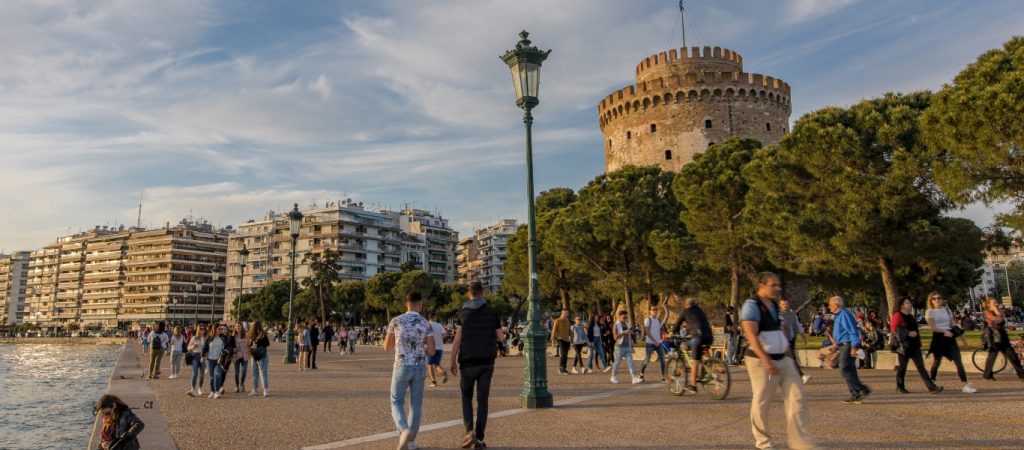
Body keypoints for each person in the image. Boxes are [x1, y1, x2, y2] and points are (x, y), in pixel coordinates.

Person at [741, 272, 816, 450]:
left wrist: (792, 360)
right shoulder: (752, 305)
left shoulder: (774, 305)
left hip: (783, 358)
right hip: (761, 361)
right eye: (773, 285)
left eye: (778, 285)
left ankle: (800, 442)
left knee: (797, 398)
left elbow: (780, 334)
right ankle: (763, 442)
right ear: (761, 286)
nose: (778, 288)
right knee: (762, 402)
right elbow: (750, 334)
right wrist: (765, 360)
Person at [449, 282, 503, 450]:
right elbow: (500, 337)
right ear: (482, 293)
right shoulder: (492, 312)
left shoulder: (463, 312)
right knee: (483, 400)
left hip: (467, 361)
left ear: (468, 293)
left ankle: (469, 432)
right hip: (487, 361)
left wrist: (452, 360)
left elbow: (457, 340)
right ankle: (479, 438)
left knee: (466, 396)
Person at [384, 292, 436, 450]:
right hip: (419, 366)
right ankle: (411, 440)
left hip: (401, 365)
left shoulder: (396, 321)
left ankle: (403, 430)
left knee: (396, 401)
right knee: (416, 405)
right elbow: (432, 351)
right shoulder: (426, 323)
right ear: (420, 304)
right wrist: (421, 349)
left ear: (406, 304)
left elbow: (387, 347)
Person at [925, 292, 977, 393]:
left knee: (958, 360)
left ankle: (965, 384)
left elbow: (953, 324)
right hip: (939, 337)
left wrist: (963, 339)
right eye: (934, 299)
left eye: (939, 298)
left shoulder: (946, 309)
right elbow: (933, 327)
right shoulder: (929, 312)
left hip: (950, 337)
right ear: (931, 301)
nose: (937, 300)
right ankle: (933, 381)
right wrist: (944, 331)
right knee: (937, 362)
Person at [891, 297, 943, 394]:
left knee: (921, 367)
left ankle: (931, 387)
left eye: (910, 303)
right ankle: (900, 386)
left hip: (914, 345)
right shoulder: (897, 315)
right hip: (904, 346)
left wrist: (920, 344)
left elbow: (916, 331)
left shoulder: (911, 316)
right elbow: (894, 330)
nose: (910, 304)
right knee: (902, 367)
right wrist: (908, 333)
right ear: (902, 305)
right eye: (907, 303)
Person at [829, 296, 871, 404]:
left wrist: (854, 347)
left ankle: (861, 389)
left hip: (848, 345)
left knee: (844, 369)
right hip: (843, 345)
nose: (829, 307)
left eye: (830, 304)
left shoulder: (843, 315)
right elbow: (843, 332)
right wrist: (836, 344)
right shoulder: (839, 315)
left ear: (836, 304)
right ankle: (855, 394)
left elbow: (853, 331)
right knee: (850, 370)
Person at [672, 297, 713, 393]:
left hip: (697, 338)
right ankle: (708, 368)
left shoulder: (685, 311)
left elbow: (677, 324)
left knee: (693, 358)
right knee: (702, 352)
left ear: (686, 304)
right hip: (709, 337)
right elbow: (698, 324)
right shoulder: (700, 311)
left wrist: (672, 332)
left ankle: (693, 385)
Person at [982, 297, 1024, 380]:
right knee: (992, 357)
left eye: (997, 303)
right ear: (989, 305)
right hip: (994, 337)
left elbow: (1002, 319)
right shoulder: (987, 312)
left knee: (1013, 356)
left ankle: (1021, 374)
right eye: (994, 303)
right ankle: (987, 375)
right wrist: (996, 311)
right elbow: (998, 320)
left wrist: (997, 311)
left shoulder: (999, 311)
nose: (997, 304)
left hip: (1003, 336)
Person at [779, 299, 809, 383]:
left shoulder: (793, 314)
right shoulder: (779, 315)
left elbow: (797, 325)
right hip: (782, 340)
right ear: (780, 305)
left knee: (789, 358)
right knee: (791, 357)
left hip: (791, 338)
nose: (785, 305)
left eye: (786, 304)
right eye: (783, 304)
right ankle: (801, 375)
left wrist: (802, 335)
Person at [609, 310, 641, 384]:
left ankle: (634, 378)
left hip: (627, 347)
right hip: (619, 347)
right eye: (624, 317)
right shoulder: (616, 325)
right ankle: (613, 376)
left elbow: (629, 336)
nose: (625, 318)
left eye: (626, 317)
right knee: (617, 363)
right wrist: (623, 333)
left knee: (631, 362)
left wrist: (632, 346)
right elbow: (615, 337)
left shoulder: (627, 324)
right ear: (619, 316)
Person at [202, 324, 230, 399]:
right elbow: (204, 347)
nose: (221, 330)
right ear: (215, 329)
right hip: (210, 359)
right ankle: (212, 391)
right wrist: (202, 356)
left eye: (221, 329)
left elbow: (227, 347)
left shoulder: (223, 338)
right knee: (212, 376)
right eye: (219, 329)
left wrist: (227, 351)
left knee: (217, 374)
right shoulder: (209, 337)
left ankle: (217, 392)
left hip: (220, 360)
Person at [640, 305, 666, 382]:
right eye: (653, 309)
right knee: (647, 360)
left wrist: (664, 336)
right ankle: (641, 373)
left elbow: (662, 330)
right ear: (650, 311)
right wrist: (654, 341)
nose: (655, 310)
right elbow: (647, 332)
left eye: (656, 309)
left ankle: (663, 376)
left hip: (659, 343)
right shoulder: (648, 320)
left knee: (663, 359)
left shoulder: (658, 320)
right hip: (650, 343)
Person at [249, 321, 271, 397]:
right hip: (261, 354)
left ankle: (255, 390)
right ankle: (265, 390)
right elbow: (267, 344)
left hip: (256, 355)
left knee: (256, 373)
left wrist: (256, 344)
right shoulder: (262, 334)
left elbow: (251, 345)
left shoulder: (254, 334)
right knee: (262, 373)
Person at [427, 313, 448, 387]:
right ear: (434, 317)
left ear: (429, 318)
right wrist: (439, 339)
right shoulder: (439, 325)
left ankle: (433, 381)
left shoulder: (427, 325)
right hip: (439, 348)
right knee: (436, 365)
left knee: (429, 365)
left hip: (431, 348)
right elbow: (445, 334)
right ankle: (443, 372)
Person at [186, 325, 207, 397]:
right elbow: (188, 348)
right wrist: (193, 346)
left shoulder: (206, 338)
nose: (202, 330)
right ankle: (192, 389)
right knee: (194, 373)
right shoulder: (194, 338)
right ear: (198, 330)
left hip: (203, 357)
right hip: (195, 356)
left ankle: (200, 388)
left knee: (202, 374)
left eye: (204, 329)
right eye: (201, 329)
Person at [550, 310, 571, 374]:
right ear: (562, 313)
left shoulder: (567, 321)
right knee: (563, 354)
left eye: (567, 313)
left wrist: (572, 339)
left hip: (567, 340)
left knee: (566, 355)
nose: (567, 314)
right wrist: (553, 342)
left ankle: (564, 368)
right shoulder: (557, 321)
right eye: (566, 313)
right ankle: (560, 368)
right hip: (560, 339)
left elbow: (569, 331)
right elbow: (553, 331)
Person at [232, 322, 251, 393]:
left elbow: (249, 344)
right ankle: (237, 386)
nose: (238, 328)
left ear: (241, 327)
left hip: (245, 355)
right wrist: (233, 349)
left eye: (239, 326)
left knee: (244, 371)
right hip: (236, 356)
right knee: (236, 372)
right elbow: (231, 345)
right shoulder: (233, 336)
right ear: (234, 328)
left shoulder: (246, 335)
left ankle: (242, 383)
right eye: (236, 326)